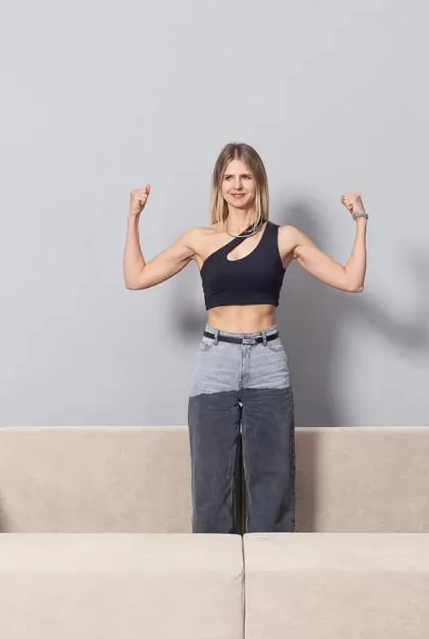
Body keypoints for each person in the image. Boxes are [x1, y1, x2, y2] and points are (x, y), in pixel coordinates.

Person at [123, 141, 367, 534]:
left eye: (245, 177)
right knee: (211, 486)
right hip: (215, 360)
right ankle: (215, 566)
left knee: (273, 485)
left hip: (267, 360)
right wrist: (134, 216)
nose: (237, 186)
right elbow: (136, 277)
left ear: (258, 183)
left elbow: (351, 280)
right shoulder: (200, 239)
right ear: (219, 185)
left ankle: (270, 566)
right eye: (229, 178)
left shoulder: (285, 238)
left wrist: (360, 220)